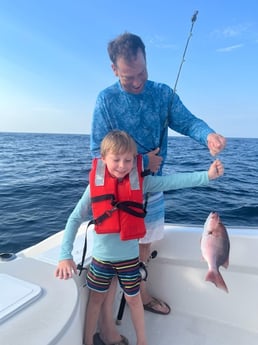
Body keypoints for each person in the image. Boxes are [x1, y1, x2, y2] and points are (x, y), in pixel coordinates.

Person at [90, 32, 226, 321]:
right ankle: (111, 307)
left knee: (142, 248)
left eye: (142, 72)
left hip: (152, 192)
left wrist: (208, 135)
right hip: (118, 197)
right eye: (128, 77)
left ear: (146, 61)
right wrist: (141, 162)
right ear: (114, 69)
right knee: (117, 252)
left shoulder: (162, 94)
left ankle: (140, 293)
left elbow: (188, 121)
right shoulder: (106, 101)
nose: (138, 82)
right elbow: (95, 153)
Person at [55, 130, 224, 345]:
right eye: (116, 159)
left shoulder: (141, 183)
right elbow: (74, 218)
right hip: (101, 260)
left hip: (129, 260)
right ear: (103, 158)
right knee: (95, 301)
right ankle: (88, 342)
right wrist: (64, 255)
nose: (122, 165)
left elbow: (172, 182)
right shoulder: (94, 187)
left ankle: (142, 341)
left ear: (135, 161)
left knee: (134, 301)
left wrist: (206, 176)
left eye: (128, 160)